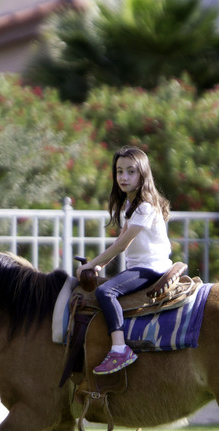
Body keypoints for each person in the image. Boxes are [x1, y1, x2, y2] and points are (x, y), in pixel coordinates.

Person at [75, 146, 173, 374]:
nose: (124, 177)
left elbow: (122, 245)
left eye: (131, 171)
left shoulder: (145, 207)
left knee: (106, 292)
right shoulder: (131, 205)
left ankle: (120, 349)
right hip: (141, 266)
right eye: (119, 171)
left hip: (152, 268)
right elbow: (121, 239)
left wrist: (90, 264)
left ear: (142, 174)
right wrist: (100, 265)